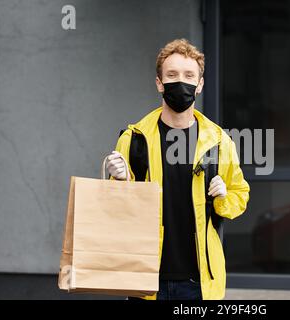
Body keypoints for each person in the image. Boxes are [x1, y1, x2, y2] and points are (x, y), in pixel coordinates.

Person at [106, 39, 250, 300]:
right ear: (159, 83)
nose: (180, 82)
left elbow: (240, 196)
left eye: (188, 75)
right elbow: (117, 210)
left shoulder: (219, 142)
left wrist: (223, 196)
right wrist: (121, 180)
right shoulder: (134, 138)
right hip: (145, 277)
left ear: (200, 85)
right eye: (172, 75)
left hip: (200, 282)